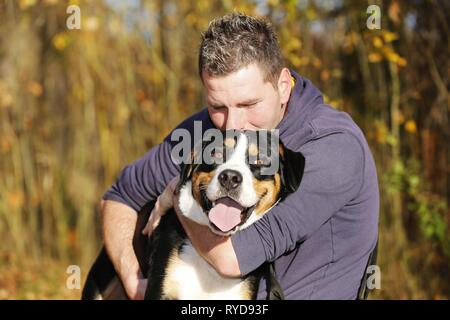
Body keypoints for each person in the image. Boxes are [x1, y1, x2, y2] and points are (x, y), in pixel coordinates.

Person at [100, 13, 379, 300]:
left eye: (249, 103)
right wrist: (134, 282)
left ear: (283, 85)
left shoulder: (333, 146)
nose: (232, 125)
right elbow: (120, 196)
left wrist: (179, 194)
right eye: (218, 106)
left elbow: (229, 259)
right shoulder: (204, 131)